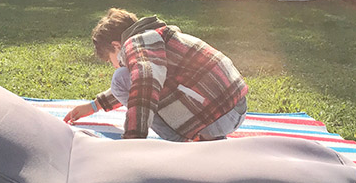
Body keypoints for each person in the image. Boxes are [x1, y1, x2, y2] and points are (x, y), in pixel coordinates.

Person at [64, 8, 247, 141]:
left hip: (219, 115)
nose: (113, 65)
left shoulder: (135, 44)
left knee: (121, 78)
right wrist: (95, 106)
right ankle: (206, 138)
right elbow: (140, 79)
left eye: (110, 60)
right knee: (129, 79)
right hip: (234, 107)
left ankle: (188, 143)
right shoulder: (156, 37)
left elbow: (144, 83)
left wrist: (133, 139)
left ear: (116, 46)